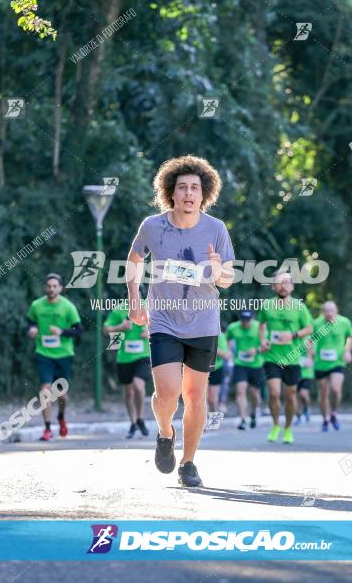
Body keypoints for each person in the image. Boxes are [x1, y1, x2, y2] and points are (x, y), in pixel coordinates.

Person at [126, 155, 235, 487]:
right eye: (183, 187)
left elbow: (227, 279)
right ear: (170, 192)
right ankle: (164, 432)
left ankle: (188, 463)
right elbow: (133, 261)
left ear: (204, 195)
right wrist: (134, 299)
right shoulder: (152, 226)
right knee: (168, 392)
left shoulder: (215, 229)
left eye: (195, 189)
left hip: (203, 323)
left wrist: (218, 270)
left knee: (196, 396)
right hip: (164, 320)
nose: (189, 194)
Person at [258, 271, 313, 444]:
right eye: (279, 282)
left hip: (293, 358)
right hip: (272, 357)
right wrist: (263, 340)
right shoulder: (266, 305)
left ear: (292, 286)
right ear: (274, 286)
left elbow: (310, 328)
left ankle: (288, 428)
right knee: (274, 393)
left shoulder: (299, 307)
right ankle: (275, 425)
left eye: (286, 282)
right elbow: (261, 325)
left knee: (291, 395)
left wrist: (294, 335)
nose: (283, 286)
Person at [27, 273, 83, 441]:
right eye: (48, 286)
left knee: (62, 395)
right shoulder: (37, 305)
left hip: (63, 355)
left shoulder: (68, 307)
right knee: (45, 390)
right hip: (43, 353)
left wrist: (63, 332)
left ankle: (61, 416)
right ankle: (47, 428)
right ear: (45, 288)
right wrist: (31, 329)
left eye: (54, 286)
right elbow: (30, 320)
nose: (51, 289)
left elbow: (79, 330)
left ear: (60, 288)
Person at [103, 300, 151, 438]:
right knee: (128, 393)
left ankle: (140, 418)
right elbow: (106, 329)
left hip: (143, 355)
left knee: (138, 386)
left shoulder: (148, 306)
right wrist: (120, 327)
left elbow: (164, 324)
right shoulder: (119, 309)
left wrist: (150, 330)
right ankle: (133, 422)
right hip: (124, 357)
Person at [311, 301, 352, 432]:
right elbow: (311, 340)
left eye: (332, 310)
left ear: (336, 311)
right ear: (322, 312)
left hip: (337, 362)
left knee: (335, 389)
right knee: (323, 393)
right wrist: (311, 352)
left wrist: (347, 350)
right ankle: (325, 419)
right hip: (321, 363)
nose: (329, 313)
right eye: (326, 311)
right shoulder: (316, 323)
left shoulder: (344, 322)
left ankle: (334, 413)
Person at [225, 310, 266, 430]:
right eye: (243, 321)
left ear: (252, 319)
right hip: (240, 364)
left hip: (256, 365)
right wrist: (229, 351)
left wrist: (256, 350)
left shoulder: (259, 327)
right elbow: (227, 338)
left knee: (254, 394)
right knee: (240, 391)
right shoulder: (233, 328)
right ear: (240, 319)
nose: (245, 323)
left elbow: (267, 344)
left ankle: (253, 413)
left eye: (248, 321)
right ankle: (243, 419)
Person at [207, 328, 232, 414]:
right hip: (200, 369)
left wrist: (209, 347)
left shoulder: (220, 336)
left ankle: (215, 422)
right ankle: (203, 425)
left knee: (212, 399)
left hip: (216, 369)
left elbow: (226, 355)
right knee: (201, 398)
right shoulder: (197, 334)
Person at [295, 352, 314, 425]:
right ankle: (298, 416)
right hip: (294, 372)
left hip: (306, 374)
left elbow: (314, 352)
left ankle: (306, 407)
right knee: (295, 396)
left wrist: (310, 358)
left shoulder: (309, 341)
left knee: (303, 394)